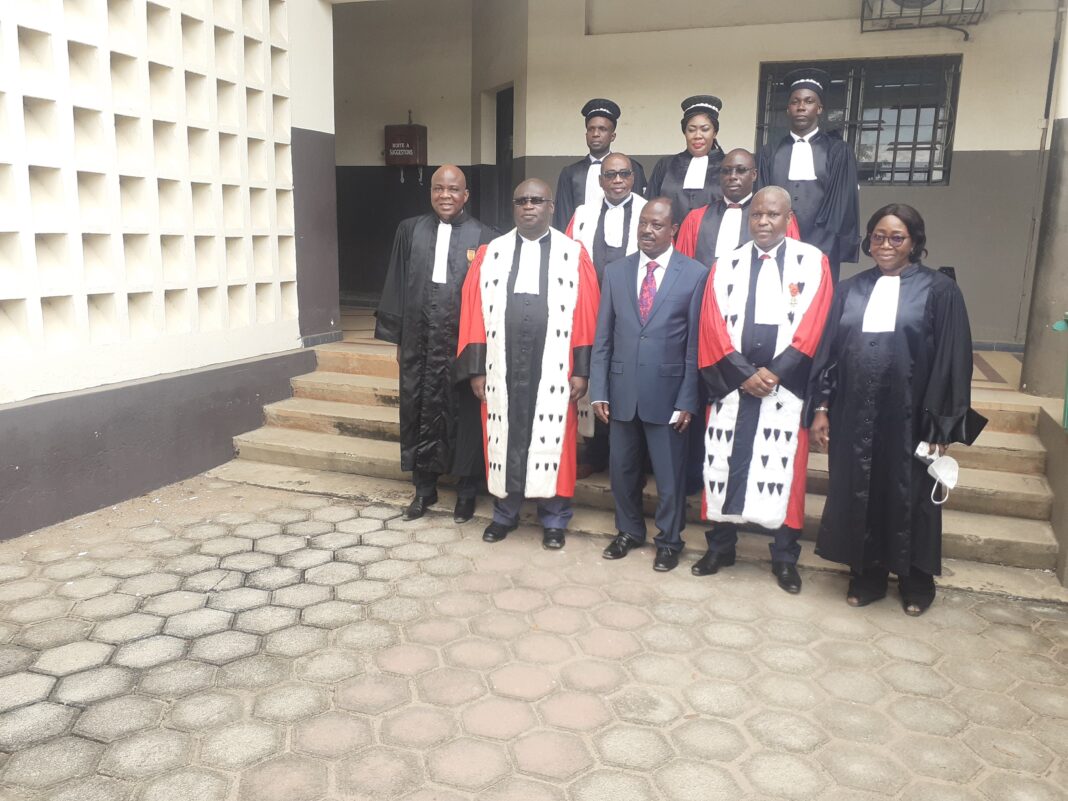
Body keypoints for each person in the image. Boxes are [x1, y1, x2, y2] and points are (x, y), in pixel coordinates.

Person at [807, 203, 984, 615]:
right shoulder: (850, 289)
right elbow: (830, 353)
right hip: (854, 415)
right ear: (868, 242)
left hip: (912, 416)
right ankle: (867, 574)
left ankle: (915, 580)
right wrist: (822, 406)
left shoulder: (939, 290)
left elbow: (953, 360)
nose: (886, 245)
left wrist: (942, 426)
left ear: (914, 243)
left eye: (897, 238)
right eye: (878, 237)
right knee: (859, 491)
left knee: (912, 498)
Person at [695, 187, 833, 593]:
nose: (763, 222)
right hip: (732, 384)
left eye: (772, 215)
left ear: (789, 219)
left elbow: (816, 323)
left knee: (785, 472)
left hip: (787, 388)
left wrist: (775, 372)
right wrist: (742, 374)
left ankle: (785, 557)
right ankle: (721, 547)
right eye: (756, 215)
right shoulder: (727, 264)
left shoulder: (813, 262)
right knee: (723, 466)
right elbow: (712, 325)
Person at [456, 179, 600, 550]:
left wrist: (581, 370)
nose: (528, 206)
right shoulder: (492, 253)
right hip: (502, 363)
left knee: (555, 439)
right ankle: (505, 514)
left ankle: (554, 519)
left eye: (536, 200)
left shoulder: (573, 254)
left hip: (553, 365)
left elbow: (587, 315)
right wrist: (477, 369)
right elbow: (473, 314)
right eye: (521, 201)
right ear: (514, 207)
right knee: (504, 435)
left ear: (551, 206)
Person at [591, 198, 707, 572]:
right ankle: (628, 531)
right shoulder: (615, 272)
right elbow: (603, 336)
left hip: (669, 393)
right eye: (643, 223)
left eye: (657, 225)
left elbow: (694, 344)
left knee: (669, 476)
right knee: (622, 470)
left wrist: (688, 398)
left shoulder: (694, 274)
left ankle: (669, 541)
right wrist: (599, 389)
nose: (647, 230)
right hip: (622, 390)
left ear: (673, 230)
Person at [375, 165, 496, 523]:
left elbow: (490, 299)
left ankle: (467, 492)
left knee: (465, 416)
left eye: (453, 189)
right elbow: (396, 283)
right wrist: (398, 338)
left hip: (462, 343)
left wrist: (484, 350)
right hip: (420, 339)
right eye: (438, 188)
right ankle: (423, 488)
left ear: (465, 195)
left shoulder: (485, 236)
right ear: (430, 192)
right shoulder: (410, 230)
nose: (445, 195)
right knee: (419, 409)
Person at [566, 153, 648, 478]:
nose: (617, 180)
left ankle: (631, 459)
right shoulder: (582, 214)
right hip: (591, 312)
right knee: (595, 378)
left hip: (634, 313)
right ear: (600, 180)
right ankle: (595, 452)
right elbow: (567, 259)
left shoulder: (647, 212)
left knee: (629, 380)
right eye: (610, 175)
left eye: (623, 174)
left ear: (633, 178)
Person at [757, 67, 859, 283]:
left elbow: (840, 205)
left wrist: (820, 246)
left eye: (809, 101)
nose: (801, 107)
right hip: (776, 243)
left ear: (819, 108)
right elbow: (762, 200)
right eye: (795, 102)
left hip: (823, 244)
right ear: (788, 109)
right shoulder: (769, 152)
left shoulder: (837, 151)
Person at [552, 99, 648, 231]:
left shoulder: (631, 167)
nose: (596, 134)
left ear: (612, 136)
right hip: (581, 238)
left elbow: (640, 208)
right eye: (591, 129)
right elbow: (563, 216)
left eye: (602, 129)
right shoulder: (571, 173)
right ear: (586, 135)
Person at [648, 95, 726, 226]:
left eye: (705, 129)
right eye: (691, 130)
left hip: (713, 237)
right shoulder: (666, 165)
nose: (697, 136)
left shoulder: (728, 166)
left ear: (715, 132)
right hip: (670, 237)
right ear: (685, 132)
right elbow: (650, 206)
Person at [675, 148, 757, 268]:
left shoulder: (770, 218)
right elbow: (681, 267)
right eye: (726, 171)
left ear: (754, 175)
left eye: (741, 170)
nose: (732, 176)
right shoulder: (696, 218)